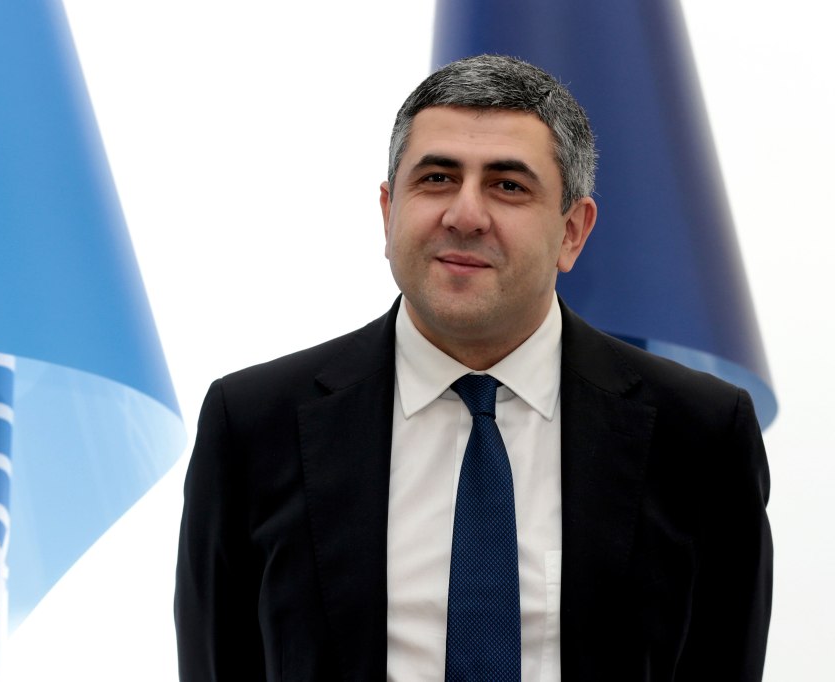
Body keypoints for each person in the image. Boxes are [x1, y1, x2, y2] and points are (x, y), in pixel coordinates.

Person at [174, 54, 772, 681]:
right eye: (436, 178)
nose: (464, 215)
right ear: (387, 211)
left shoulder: (701, 433)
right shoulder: (253, 425)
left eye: (508, 186)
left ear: (572, 231)